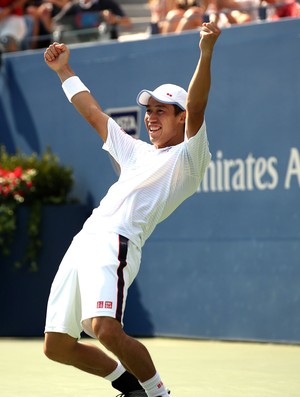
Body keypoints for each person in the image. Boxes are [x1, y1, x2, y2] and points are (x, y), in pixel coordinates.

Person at [43, 21, 221, 397]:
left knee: (103, 327)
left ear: (181, 117)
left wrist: (205, 52)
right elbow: (93, 113)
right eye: (149, 110)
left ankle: (159, 394)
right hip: (84, 242)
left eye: (162, 111)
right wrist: (65, 72)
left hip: (118, 242)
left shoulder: (189, 158)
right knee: (56, 346)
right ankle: (130, 387)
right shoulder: (135, 150)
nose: (152, 117)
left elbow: (198, 103)